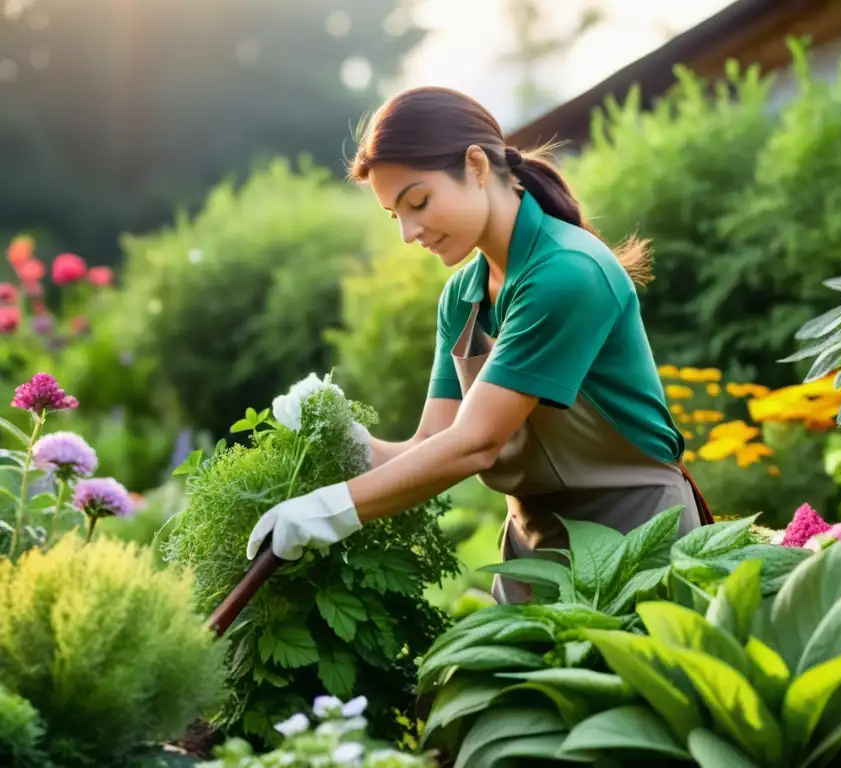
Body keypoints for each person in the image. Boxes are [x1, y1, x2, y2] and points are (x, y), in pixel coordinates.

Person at [246, 86, 713, 603]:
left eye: (418, 202)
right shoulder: (462, 297)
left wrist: (328, 510)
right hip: (535, 556)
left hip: (635, 544)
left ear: (475, 166)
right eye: (394, 215)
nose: (407, 232)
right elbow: (431, 444)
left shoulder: (566, 272)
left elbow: (475, 443)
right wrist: (346, 436)